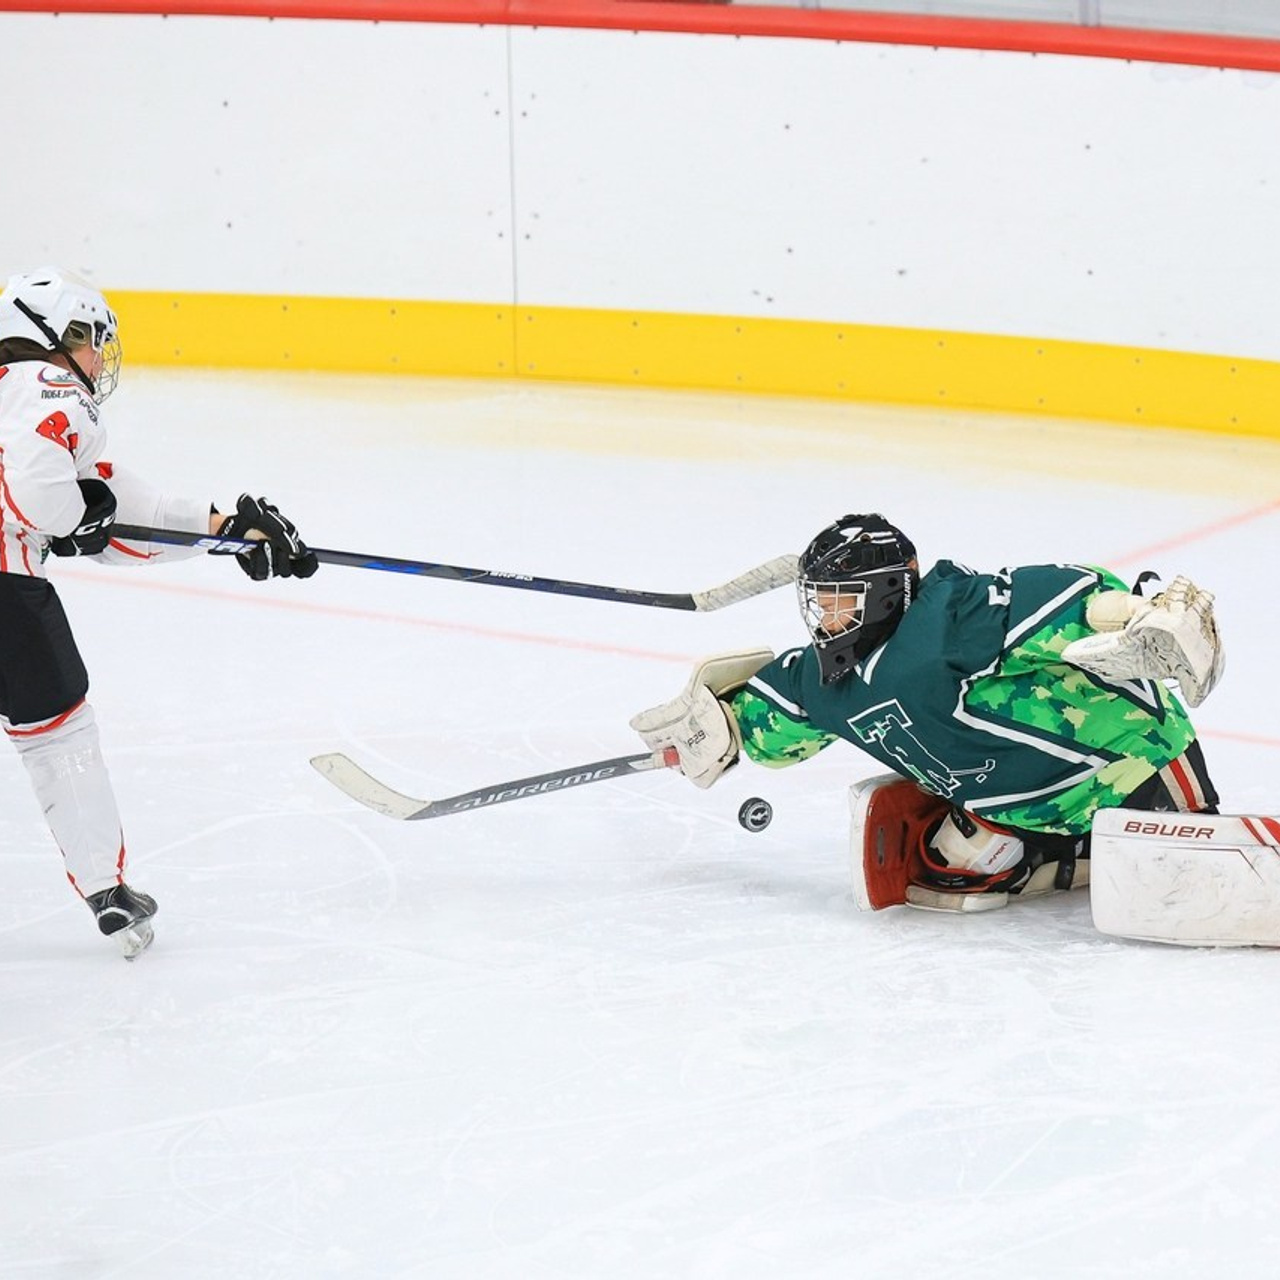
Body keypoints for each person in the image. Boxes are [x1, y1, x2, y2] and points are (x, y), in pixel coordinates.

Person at [631, 513, 1224, 913]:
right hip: (1024, 805)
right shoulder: (824, 679)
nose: (823, 621)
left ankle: (1175, 823)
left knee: (1174, 868)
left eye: (839, 604)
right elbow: (773, 726)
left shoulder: (950, 618)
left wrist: (1135, 613)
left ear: (888, 593)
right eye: (818, 604)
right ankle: (1061, 851)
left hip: (1127, 765)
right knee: (942, 869)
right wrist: (717, 729)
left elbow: (1064, 596)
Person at [0, 267, 318, 958]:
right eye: (88, 341)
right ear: (54, 336)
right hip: (7, 597)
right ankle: (105, 891)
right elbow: (53, 501)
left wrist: (225, 528)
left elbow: (109, 509)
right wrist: (71, 514)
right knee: (57, 738)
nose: (95, 360)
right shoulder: (44, 387)